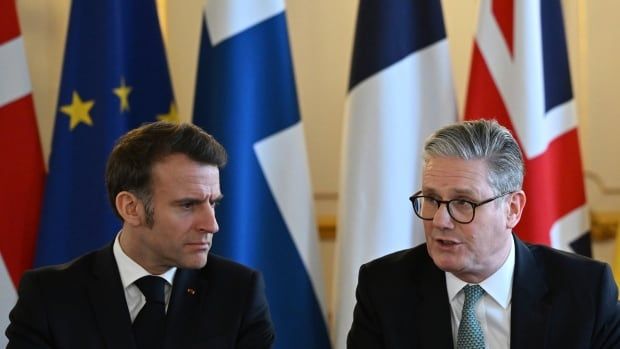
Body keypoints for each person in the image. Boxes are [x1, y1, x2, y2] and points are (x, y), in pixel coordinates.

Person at [347, 119, 620, 348]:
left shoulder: (586, 291)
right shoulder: (383, 289)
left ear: (512, 209)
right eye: (431, 199)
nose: (440, 220)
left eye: (464, 202)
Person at [7, 121, 275, 348]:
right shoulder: (49, 296)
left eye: (213, 202)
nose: (211, 224)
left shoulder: (239, 293)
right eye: (188, 205)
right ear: (131, 208)